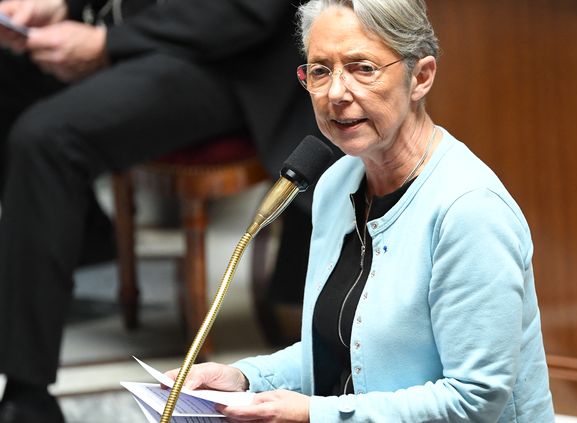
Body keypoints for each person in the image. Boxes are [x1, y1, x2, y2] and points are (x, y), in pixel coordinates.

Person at [162, 0, 556, 421]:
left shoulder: (470, 211)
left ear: (420, 77)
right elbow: (351, 347)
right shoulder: (336, 184)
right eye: (320, 70)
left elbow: (474, 399)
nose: (336, 93)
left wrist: (316, 414)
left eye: (362, 68)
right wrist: (245, 378)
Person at [0, 1, 325, 422]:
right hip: (136, 34)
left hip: (225, 58)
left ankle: (28, 394)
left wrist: (106, 42)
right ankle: (85, 236)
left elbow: (245, 11)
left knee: (46, 137)